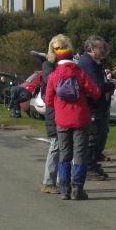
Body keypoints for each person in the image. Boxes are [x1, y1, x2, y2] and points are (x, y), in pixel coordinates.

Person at [44, 43, 102, 200]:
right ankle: (77, 189)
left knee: (64, 155)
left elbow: (48, 100)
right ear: (71, 58)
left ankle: (64, 189)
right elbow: (96, 92)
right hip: (81, 119)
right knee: (80, 154)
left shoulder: (54, 76)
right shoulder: (79, 73)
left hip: (62, 120)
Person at [40, 35, 73, 195]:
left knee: (65, 148)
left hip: (67, 111)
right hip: (54, 111)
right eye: (56, 48)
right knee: (56, 145)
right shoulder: (48, 65)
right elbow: (49, 80)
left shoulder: (70, 65)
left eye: (62, 47)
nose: (59, 51)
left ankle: (62, 181)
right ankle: (48, 182)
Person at [80, 35, 116, 181]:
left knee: (99, 136)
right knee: (93, 138)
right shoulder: (87, 63)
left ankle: (93, 163)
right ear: (92, 48)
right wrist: (112, 85)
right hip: (93, 107)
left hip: (99, 106)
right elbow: (97, 86)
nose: (103, 50)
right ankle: (89, 167)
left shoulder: (95, 62)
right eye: (100, 47)